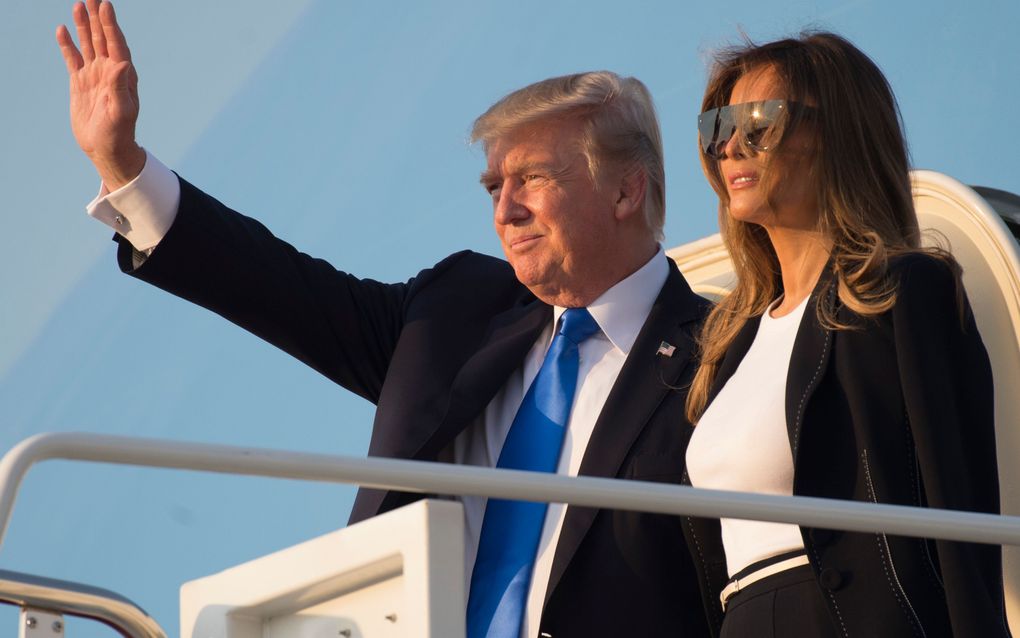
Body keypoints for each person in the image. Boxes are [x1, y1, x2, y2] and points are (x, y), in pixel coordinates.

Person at [55, 2, 711, 637]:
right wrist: (124, 166)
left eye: (532, 179)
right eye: (493, 188)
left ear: (627, 189)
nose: (504, 211)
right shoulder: (456, 314)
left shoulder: (727, 351)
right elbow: (278, 286)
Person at [680, 31, 1009, 637]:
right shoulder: (727, 341)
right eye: (717, 126)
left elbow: (963, 519)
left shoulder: (904, 292)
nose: (729, 146)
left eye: (760, 122)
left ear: (838, 134)